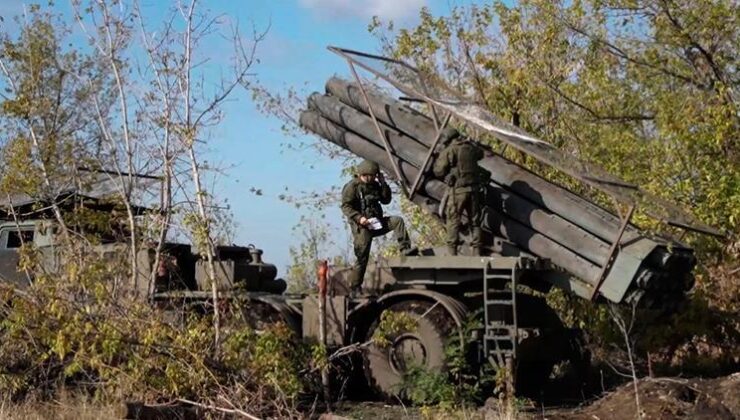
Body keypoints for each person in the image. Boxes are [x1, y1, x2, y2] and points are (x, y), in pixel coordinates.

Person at [341, 159, 414, 294]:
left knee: (397, 221)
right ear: (364, 174)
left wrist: (383, 183)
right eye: (373, 176)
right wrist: (360, 218)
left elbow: (386, 200)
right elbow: (345, 206)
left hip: (377, 223)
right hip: (362, 227)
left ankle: (405, 249)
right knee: (362, 256)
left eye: (375, 176)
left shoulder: (375, 185)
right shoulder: (352, 187)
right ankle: (354, 286)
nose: (374, 178)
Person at [433, 128, 489, 255]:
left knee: (453, 220)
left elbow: (439, 171)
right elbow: (480, 154)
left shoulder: (450, 150)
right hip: (474, 191)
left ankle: (452, 253)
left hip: (458, 192)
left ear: (448, 138)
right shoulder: (470, 148)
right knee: (475, 221)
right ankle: (477, 250)